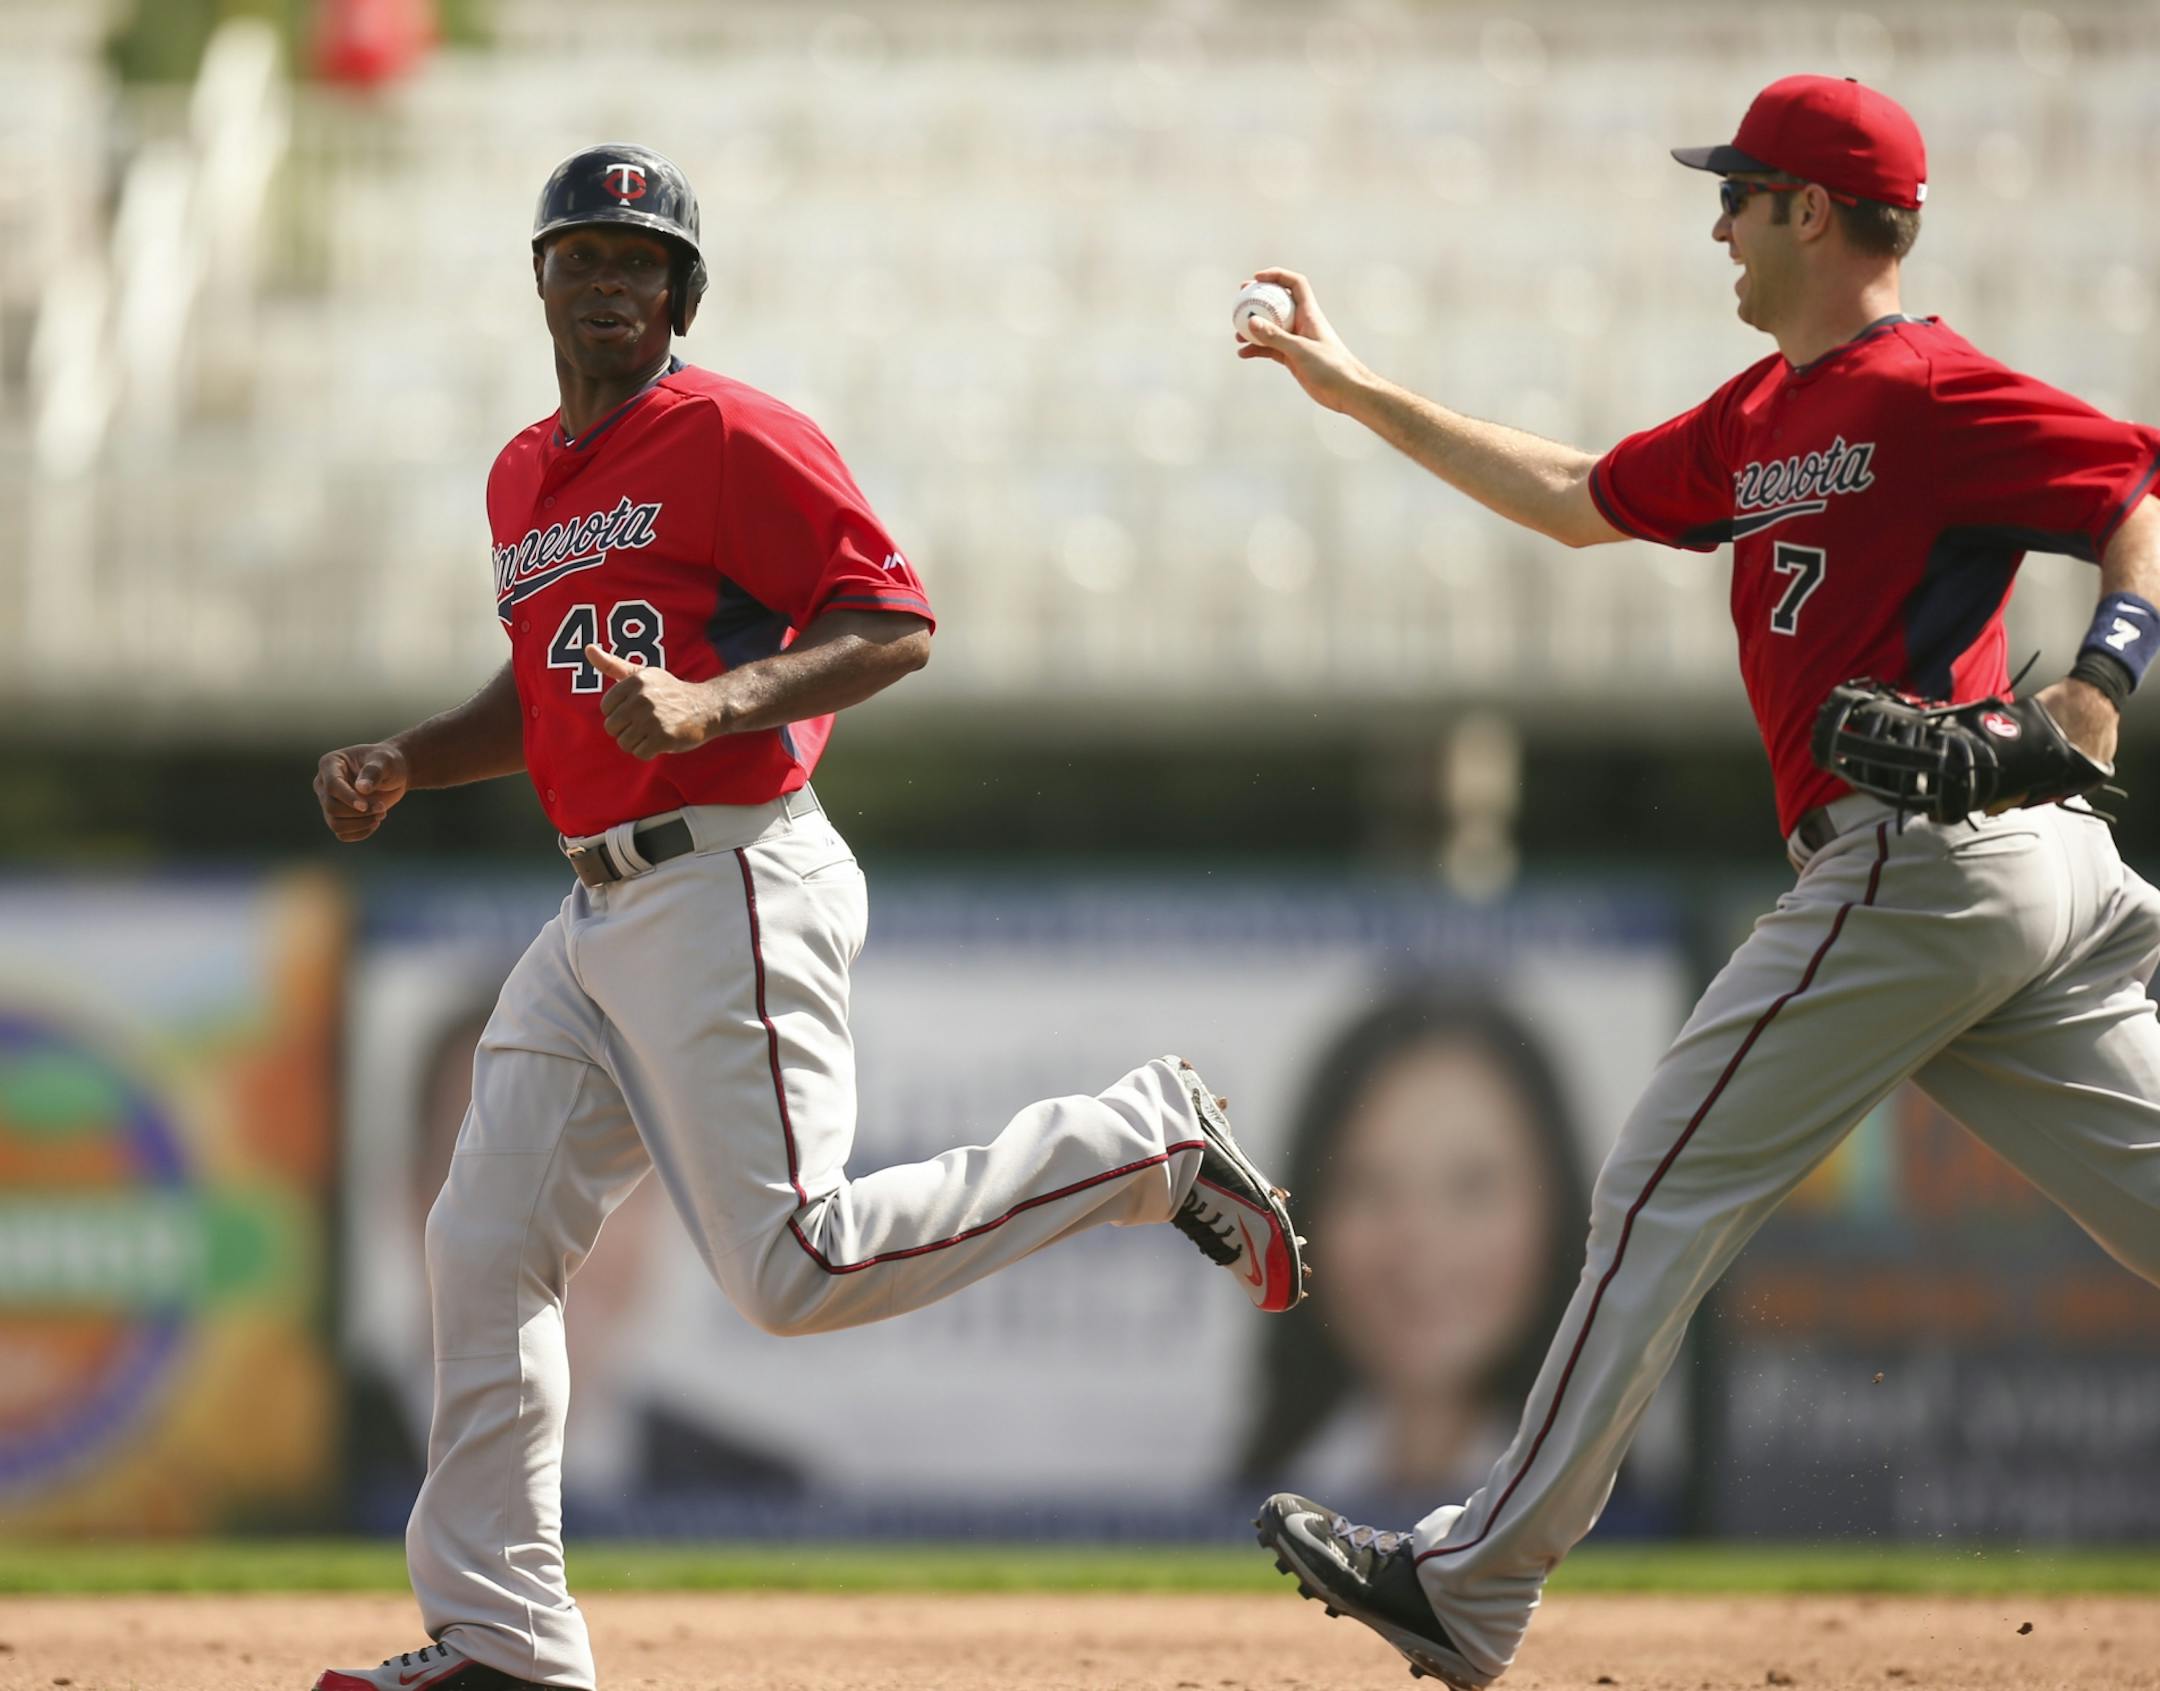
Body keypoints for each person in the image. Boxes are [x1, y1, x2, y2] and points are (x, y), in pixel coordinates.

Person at [309, 142, 1306, 1691]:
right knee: (482, 1237)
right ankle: (503, 1635)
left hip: (730, 870)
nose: (611, 282)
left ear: (680, 294)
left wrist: (719, 698)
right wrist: (410, 759)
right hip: (593, 913)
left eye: (642, 263)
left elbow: (893, 617)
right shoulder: (523, 473)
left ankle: (1139, 1147)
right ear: (542, 280)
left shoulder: (729, 431)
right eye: (585, 255)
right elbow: (549, 687)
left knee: (798, 1268)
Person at [1240, 76, 2160, 1688]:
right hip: (2011, 885)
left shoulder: (1926, 388)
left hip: (1925, 852)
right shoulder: (1761, 414)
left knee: (1659, 1179)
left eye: (1739, 190)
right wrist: (1356, 388)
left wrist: (2093, 691)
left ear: (1814, 212)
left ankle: (1473, 1580)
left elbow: (2137, 498)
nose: (1716, 218)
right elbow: (1575, 496)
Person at [1236, 994, 1587, 1515]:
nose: (1418, 1237)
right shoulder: (1253, 1497)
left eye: (1471, 1187)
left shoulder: (1611, 1501)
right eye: (1369, 1186)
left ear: (1556, 1209)